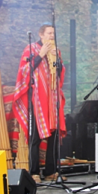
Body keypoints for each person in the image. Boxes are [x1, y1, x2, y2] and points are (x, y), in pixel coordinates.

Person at [13, 24, 66, 180]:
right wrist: (41, 55)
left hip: (52, 98)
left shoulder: (57, 51)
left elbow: (60, 73)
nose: (52, 36)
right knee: (35, 137)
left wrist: (58, 61)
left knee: (53, 136)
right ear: (41, 35)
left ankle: (50, 171)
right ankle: (34, 172)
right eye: (49, 33)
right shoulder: (31, 49)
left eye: (53, 34)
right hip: (36, 100)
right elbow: (24, 71)